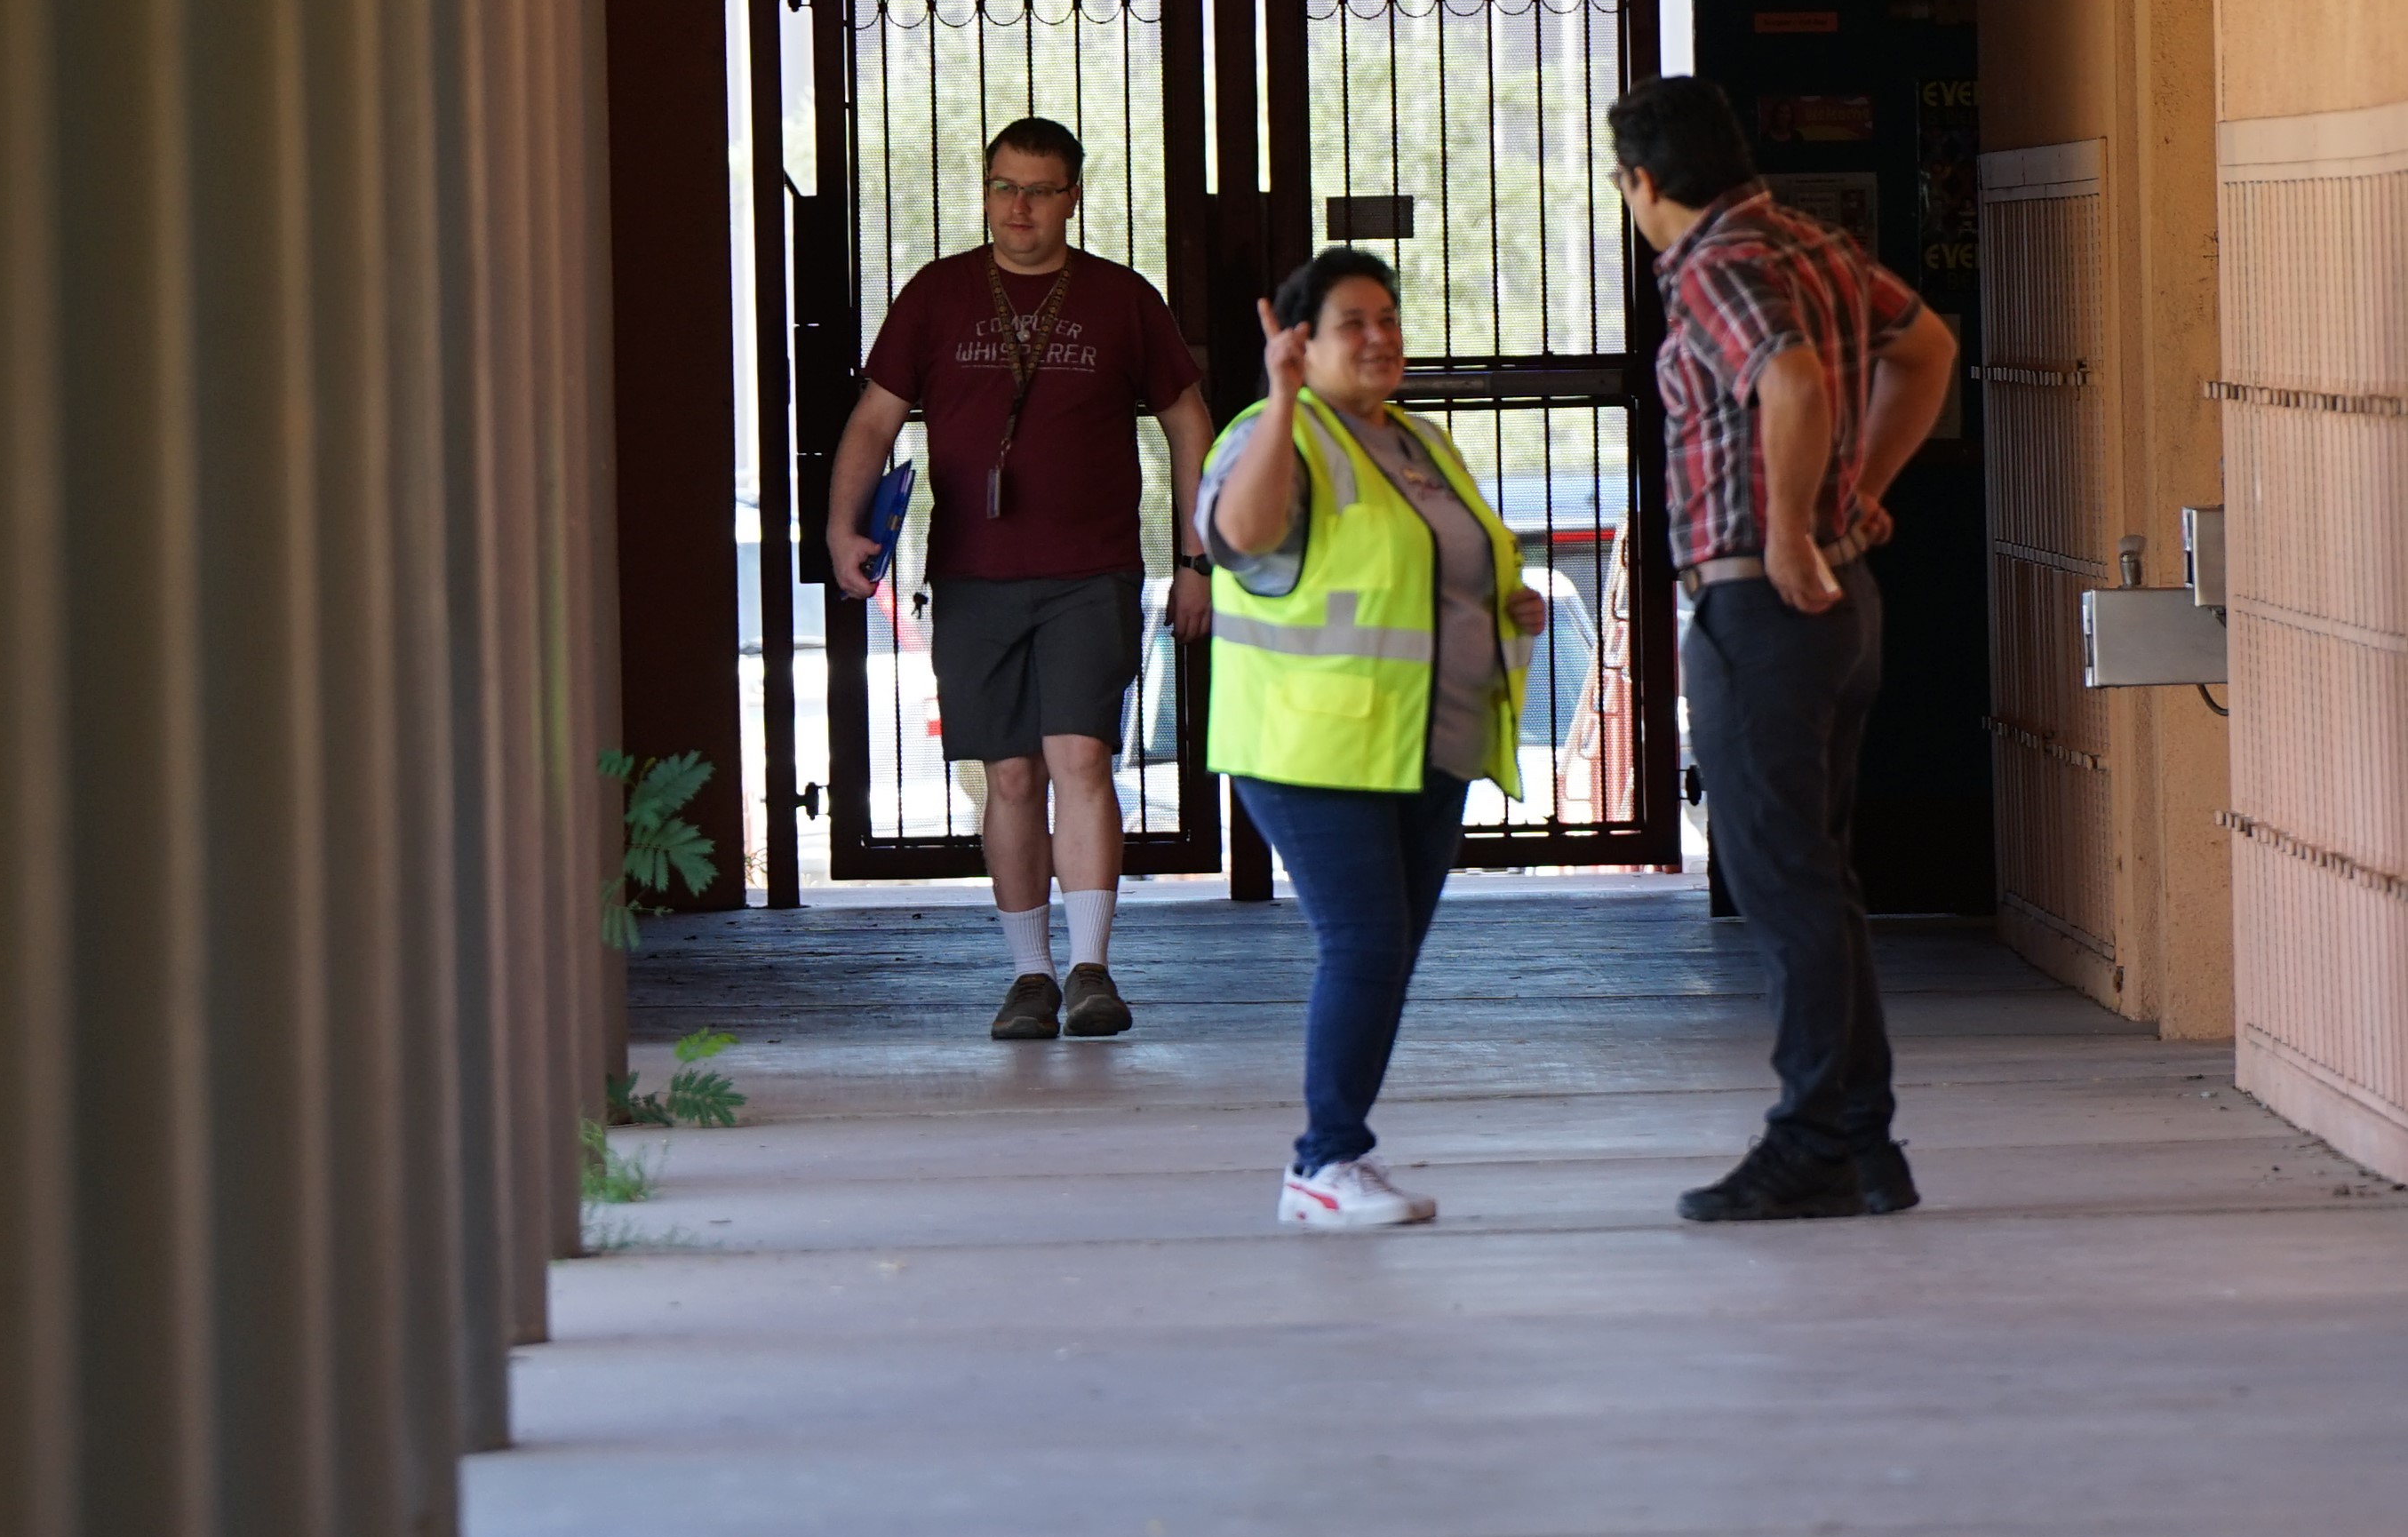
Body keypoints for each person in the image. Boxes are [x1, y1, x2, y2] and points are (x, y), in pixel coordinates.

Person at [1607, 76, 1960, 1224]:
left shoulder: (1711, 263)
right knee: (1821, 879)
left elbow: (1792, 381)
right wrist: (1861, 492)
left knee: (1787, 884)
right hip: (1839, 604)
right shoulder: (1809, 237)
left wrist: (1799, 525)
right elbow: (1929, 348)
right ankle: (1863, 1144)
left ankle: (1815, 1135)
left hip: (1765, 607)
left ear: (1645, 181)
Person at [824, 117, 1213, 1042]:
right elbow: (875, 421)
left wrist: (1198, 558)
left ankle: (1091, 968)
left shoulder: (1121, 298)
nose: (1020, 208)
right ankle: (1029, 974)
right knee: (1007, 772)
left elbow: (1190, 423)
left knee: (1080, 757)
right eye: (1005, 187)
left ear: (1073, 197)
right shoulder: (938, 293)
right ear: (986, 190)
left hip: (1092, 567)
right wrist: (843, 529)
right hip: (973, 571)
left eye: (1040, 190)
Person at [1200, 248, 1548, 1228]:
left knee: (1388, 952)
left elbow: (1440, 565)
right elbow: (1243, 535)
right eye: (1354, 321)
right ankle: (1324, 1162)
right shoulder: (1279, 435)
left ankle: (1337, 1156)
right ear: (1299, 339)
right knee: (1363, 943)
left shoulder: (1416, 441)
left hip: (1427, 741)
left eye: (1389, 318)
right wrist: (1277, 399)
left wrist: (1502, 603)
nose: (1380, 337)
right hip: (1313, 743)